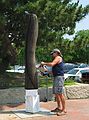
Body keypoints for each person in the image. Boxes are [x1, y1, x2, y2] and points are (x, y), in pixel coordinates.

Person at [41, 48, 66, 114]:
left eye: (53, 53)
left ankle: (63, 110)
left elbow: (52, 64)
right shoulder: (56, 59)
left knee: (60, 93)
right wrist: (46, 72)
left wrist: (44, 63)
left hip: (59, 78)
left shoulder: (58, 57)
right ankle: (59, 107)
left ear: (57, 52)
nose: (52, 55)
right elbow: (53, 70)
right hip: (56, 77)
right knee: (56, 93)